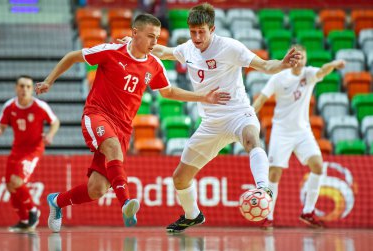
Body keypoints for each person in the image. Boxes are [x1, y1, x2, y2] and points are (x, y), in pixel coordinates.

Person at [35, 13, 231, 233]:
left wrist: (203, 97)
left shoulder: (154, 64)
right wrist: (49, 81)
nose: (155, 43)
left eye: (157, 38)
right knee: (112, 147)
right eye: (150, 37)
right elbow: (72, 56)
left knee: (97, 189)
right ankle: (127, 203)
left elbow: (169, 91)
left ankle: (57, 202)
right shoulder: (111, 51)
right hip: (97, 114)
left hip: (123, 127)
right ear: (134, 33)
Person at [150, 3, 302, 233]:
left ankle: (263, 189)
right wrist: (138, 46)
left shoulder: (230, 47)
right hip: (210, 123)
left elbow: (264, 65)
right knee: (180, 179)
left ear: (212, 28)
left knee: (252, 138)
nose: (197, 37)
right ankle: (192, 216)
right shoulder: (188, 48)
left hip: (237, 113)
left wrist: (281, 64)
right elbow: (164, 52)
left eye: (202, 31)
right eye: (193, 32)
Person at [252, 44, 346, 229]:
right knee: (274, 173)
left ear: (305, 59)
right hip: (281, 131)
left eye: (302, 57)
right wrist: (249, 115)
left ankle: (308, 211)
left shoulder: (309, 74)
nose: (299, 61)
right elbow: (262, 98)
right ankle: (268, 216)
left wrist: (334, 64)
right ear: (290, 58)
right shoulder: (279, 78)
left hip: (303, 131)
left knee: (318, 166)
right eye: (296, 57)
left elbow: (324, 71)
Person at [0, 75, 60, 232]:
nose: (25, 89)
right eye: (21, 86)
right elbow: (1, 126)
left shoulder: (40, 106)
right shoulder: (9, 106)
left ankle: (33, 212)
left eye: (28, 87)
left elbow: (55, 121)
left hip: (33, 150)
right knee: (10, 185)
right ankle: (24, 220)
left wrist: (50, 134)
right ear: (16, 88)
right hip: (17, 149)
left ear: (32, 89)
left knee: (17, 181)